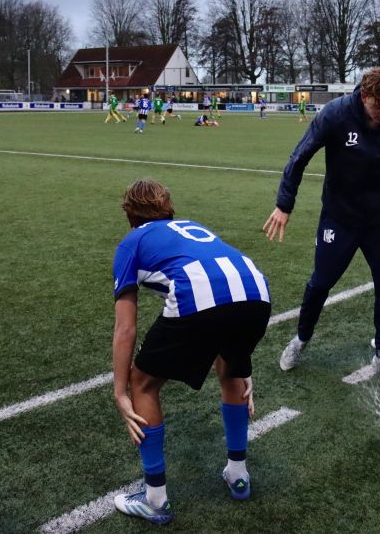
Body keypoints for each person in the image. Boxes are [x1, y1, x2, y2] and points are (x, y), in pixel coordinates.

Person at [111, 179, 271, 525]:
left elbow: (125, 328)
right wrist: (242, 366)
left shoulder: (131, 241)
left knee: (143, 384)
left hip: (202, 295)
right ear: (169, 209)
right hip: (257, 291)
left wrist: (120, 392)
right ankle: (238, 475)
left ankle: (155, 500)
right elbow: (227, 292)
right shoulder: (193, 227)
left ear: (130, 216)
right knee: (229, 371)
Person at [263, 67, 380, 385]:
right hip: (339, 217)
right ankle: (301, 339)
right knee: (320, 283)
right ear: (365, 95)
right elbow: (299, 157)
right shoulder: (336, 114)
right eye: (379, 106)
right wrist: (284, 205)